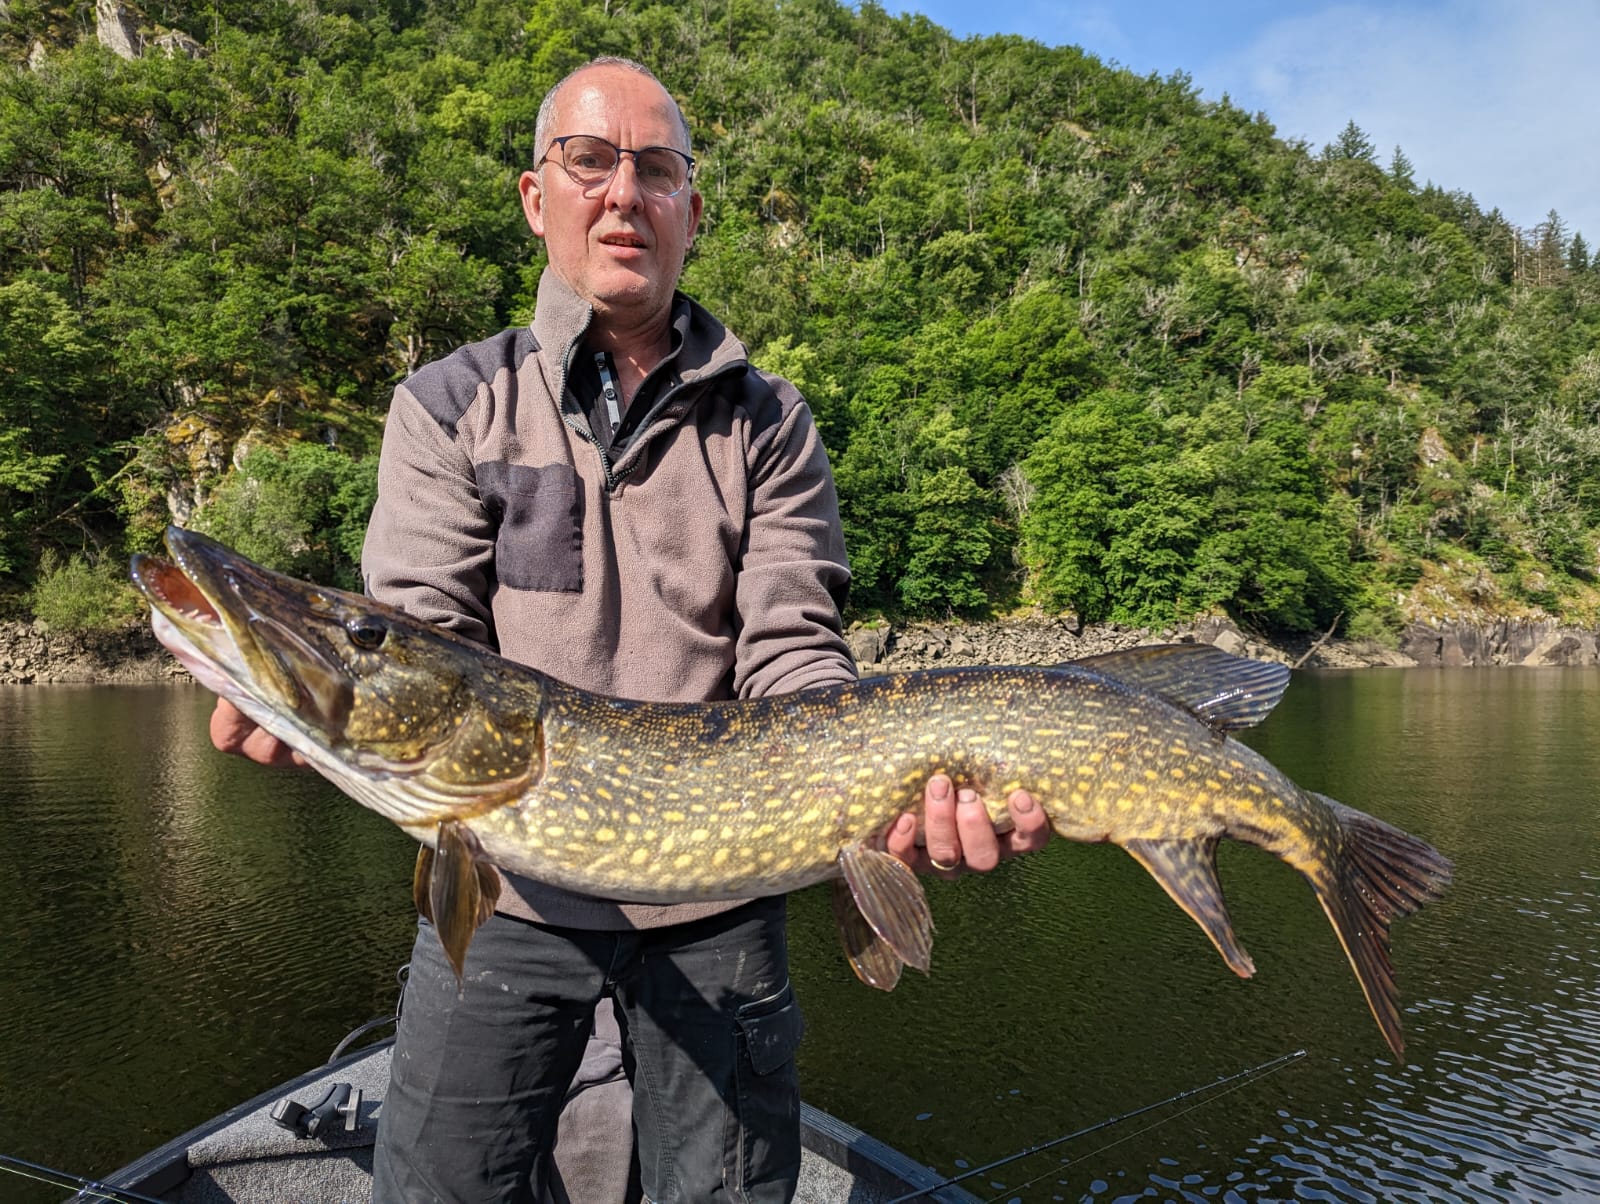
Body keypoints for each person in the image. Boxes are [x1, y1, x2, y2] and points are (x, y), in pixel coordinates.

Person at [209, 56, 1051, 1204]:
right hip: (504, 892)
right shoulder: (449, 406)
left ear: (691, 213)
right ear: (534, 196)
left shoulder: (771, 420)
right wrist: (319, 705)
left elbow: (794, 651)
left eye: (656, 170)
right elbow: (416, 637)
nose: (622, 193)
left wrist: (892, 788)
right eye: (589, 161)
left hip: (724, 901)